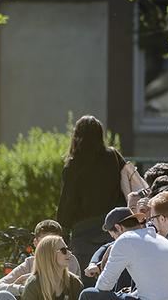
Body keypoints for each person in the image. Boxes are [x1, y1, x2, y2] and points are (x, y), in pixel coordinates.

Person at [57, 115, 126, 287]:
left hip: (83, 234)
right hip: (113, 230)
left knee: (85, 283)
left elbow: (67, 204)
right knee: (114, 283)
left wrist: (62, 231)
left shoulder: (73, 165)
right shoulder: (113, 157)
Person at [79, 207, 168, 300]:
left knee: (88, 294)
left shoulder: (125, 240)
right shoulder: (160, 239)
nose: (114, 240)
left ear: (118, 227)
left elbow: (103, 286)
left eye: (114, 236)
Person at [0, 220, 81, 299]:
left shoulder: (68, 259)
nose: (48, 248)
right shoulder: (30, 262)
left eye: (54, 243)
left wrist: (35, 280)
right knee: (3, 296)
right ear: (36, 243)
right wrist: (23, 288)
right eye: (44, 243)